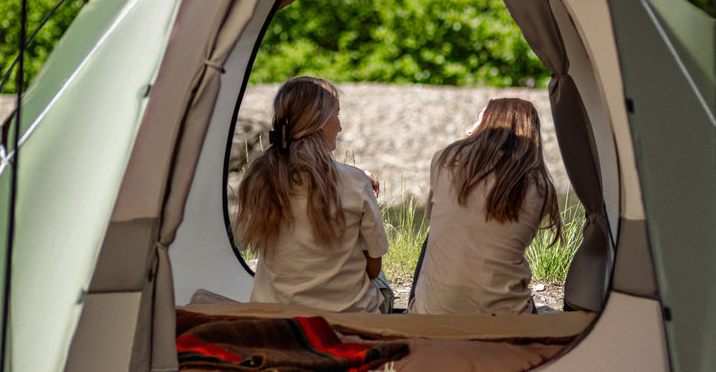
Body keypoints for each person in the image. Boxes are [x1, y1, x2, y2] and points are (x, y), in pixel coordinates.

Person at [235, 76, 390, 312]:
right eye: (336, 115)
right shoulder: (355, 182)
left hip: (275, 317)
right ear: (317, 122)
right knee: (381, 281)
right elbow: (373, 269)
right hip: (349, 318)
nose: (340, 126)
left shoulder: (261, 179)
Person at [410, 98, 562, 315]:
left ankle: (424, 306)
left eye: (480, 117)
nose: (469, 128)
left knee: (432, 237)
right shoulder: (541, 188)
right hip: (507, 318)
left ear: (489, 123)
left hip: (431, 313)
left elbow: (434, 218)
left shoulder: (445, 159)